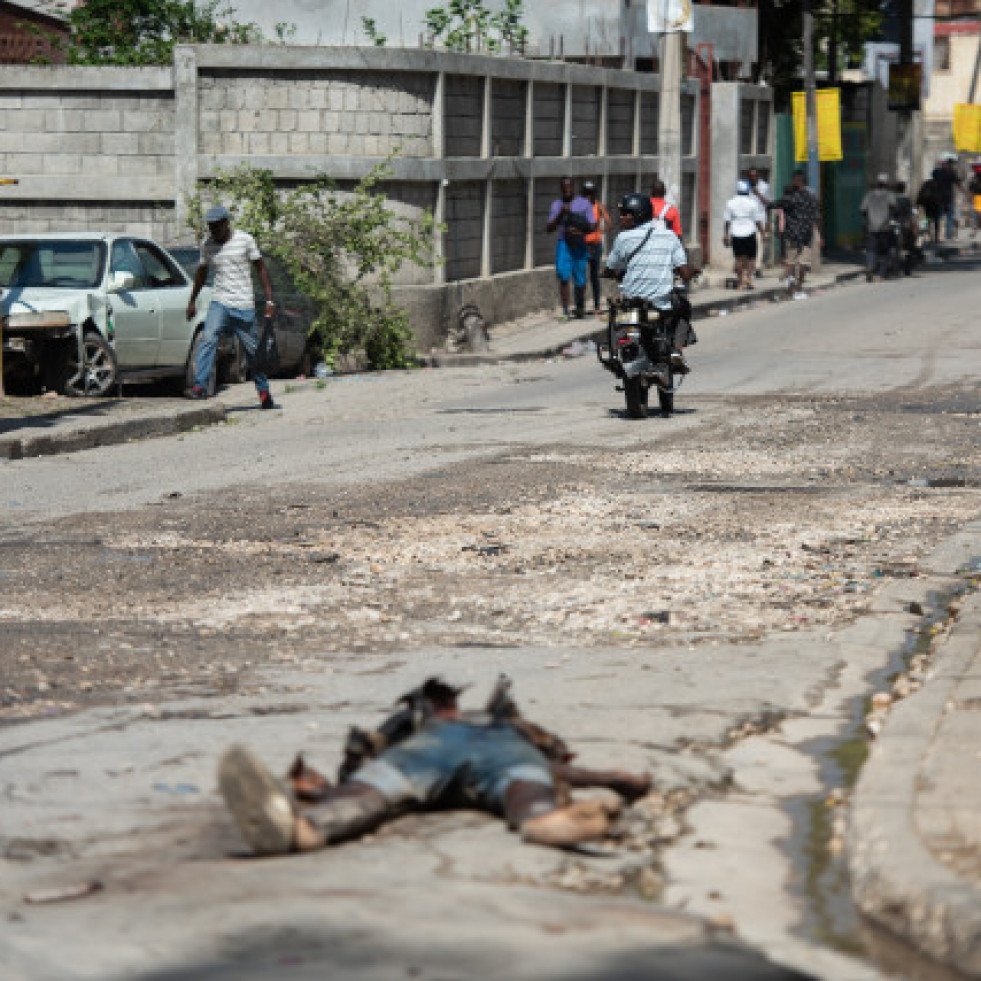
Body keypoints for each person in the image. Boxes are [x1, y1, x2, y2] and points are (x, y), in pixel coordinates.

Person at [218, 676, 652, 857]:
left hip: (420, 758)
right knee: (525, 787)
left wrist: (322, 786)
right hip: (503, 755)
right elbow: (561, 769)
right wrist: (616, 780)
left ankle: (307, 829)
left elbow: (360, 770)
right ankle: (548, 820)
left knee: (374, 791)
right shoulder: (511, 730)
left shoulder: (415, 733)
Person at [185, 204, 277, 408]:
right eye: (211, 227)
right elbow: (202, 273)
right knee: (208, 338)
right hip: (220, 302)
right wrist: (192, 300)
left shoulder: (245, 240)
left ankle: (263, 392)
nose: (214, 231)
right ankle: (200, 386)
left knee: (253, 353)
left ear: (226, 223)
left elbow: (261, 268)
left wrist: (269, 300)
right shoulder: (207, 244)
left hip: (243, 304)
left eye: (217, 226)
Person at [601, 192, 699, 374]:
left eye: (626, 214)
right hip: (660, 303)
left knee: (616, 316)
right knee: (683, 307)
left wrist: (611, 273)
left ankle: (614, 353)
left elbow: (610, 269)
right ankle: (677, 350)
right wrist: (694, 270)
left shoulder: (622, 238)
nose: (621, 218)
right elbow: (684, 272)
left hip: (631, 301)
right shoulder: (669, 236)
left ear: (639, 214)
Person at [546, 177, 595, 320]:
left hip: (579, 245)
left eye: (569, 187)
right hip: (564, 244)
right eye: (564, 187)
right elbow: (549, 228)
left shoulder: (584, 204)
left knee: (580, 281)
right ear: (561, 189)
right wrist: (561, 213)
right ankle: (566, 310)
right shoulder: (556, 205)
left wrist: (580, 232)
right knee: (563, 276)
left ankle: (580, 307)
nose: (567, 190)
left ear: (574, 188)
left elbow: (592, 225)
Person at [773, 171, 821, 290]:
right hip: (804, 233)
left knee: (792, 259)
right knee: (800, 260)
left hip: (794, 233)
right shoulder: (811, 196)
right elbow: (817, 217)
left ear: (798, 181)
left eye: (794, 180)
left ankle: (793, 283)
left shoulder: (791, 197)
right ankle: (797, 284)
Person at [723, 180, 765, 290]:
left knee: (738, 259)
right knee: (752, 258)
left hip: (736, 232)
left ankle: (740, 281)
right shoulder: (752, 203)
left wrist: (726, 235)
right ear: (748, 190)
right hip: (750, 232)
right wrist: (763, 233)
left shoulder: (730, 202)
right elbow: (757, 221)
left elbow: (727, 221)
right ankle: (749, 278)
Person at [581, 180, 612, 316]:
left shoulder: (598, 206)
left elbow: (609, 222)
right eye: (586, 193)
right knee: (581, 276)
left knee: (594, 276)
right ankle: (580, 305)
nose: (588, 196)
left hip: (595, 245)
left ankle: (597, 305)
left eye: (591, 193)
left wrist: (601, 231)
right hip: (583, 245)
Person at [860, 173, 897, 281]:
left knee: (871, 249)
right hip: (885, 227)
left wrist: (869, 218)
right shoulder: (889, 195)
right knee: (886, 251)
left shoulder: (869, 195)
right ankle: (881, 274)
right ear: (887, 184)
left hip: (871, 227)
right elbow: (895, 207)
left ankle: (870, 266)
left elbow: (862, 209)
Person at [931, 154, 964, 241]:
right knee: (949, 217)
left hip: (938, 198)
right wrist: (965, 193)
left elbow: (933, 181)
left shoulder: (936, 172)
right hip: (948, 198)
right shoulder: (951, 172)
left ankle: (936, 236)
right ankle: (947, 236)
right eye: (952, 164)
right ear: (950, 164)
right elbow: (958, 183)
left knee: (938, 217)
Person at [746, 168, 771, 275]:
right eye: (751, 176)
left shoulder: (764, 186)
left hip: (761, 218)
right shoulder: (745, 187)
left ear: (758, 176)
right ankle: (749, 265)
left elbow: (768, 203)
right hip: (748, 220)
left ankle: (757, 267)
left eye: (755, 176)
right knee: (749, 243)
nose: (753, 178)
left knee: (760, 242)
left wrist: (758, 194)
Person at [916, 176, 943, 244]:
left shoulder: (926, 183)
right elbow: (942, 195)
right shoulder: (939, 184)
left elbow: (921, 193)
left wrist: (918, 203)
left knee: (927, 219)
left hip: (927, 205)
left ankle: (927, 236)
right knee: (936, 221)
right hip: (936, 205)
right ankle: (936, 237)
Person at [969, 164, 981, 237]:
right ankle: (976, 228)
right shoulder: (974, 179)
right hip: (977, 197)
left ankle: (976, 229)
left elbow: (971, 188)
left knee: (977, 214)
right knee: (978, 214)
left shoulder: (974, 179)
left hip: (976, 197)